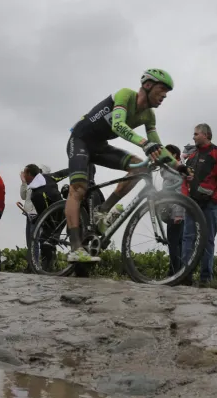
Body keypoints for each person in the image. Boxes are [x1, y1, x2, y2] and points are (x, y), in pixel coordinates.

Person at [64, 68, 184, 263]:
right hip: (80, 141)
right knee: (78, 189)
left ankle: (102, 211)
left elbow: (158, 146)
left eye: (167, 93)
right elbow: (117, 125)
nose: (164, 96)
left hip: (100, 146)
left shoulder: (149, 116)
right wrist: (144, 144)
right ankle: (75, 248)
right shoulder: (125, 95)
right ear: (147, 85)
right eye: (162, 89)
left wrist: (179, 166)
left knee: (140, 166)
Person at [180, 124, 217, 286]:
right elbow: (184, 179)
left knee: (207, 240)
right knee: (188, 238)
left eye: (196, 134)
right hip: (192, 204)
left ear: (206, 135)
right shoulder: (192, 155)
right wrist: (185, 199)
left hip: (210, 206)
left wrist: (215, 200)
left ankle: (205, 278)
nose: (193, 137)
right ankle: (185, 275)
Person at [22, 164, 63, 271]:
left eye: (25, 174)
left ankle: (44, 267)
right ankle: (44, 266)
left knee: (44, 239)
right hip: (47, 213)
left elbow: (43, 214)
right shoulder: (37, 187)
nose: (23, 175)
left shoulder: (37, 193)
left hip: (55, 213)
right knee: (42, 239)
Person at [161, 145, 185, 277]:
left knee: (174, 243)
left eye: (167, 153)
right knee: (176, 243)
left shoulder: (174, 172)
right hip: (170, 210)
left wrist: (178, 214)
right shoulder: (169, 169)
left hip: (176, 212)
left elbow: (179, 193)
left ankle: (174, 272)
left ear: (174, 155)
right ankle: (176, 271)